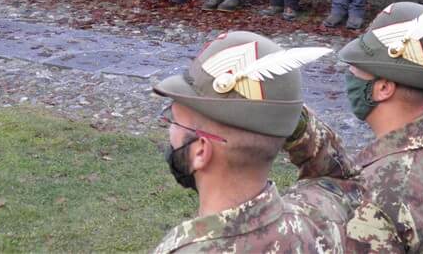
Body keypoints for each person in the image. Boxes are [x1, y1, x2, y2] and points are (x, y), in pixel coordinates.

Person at [285, 0, 423, 252]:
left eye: (356, 66)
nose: (349, 74)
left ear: (383, 88)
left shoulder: (373, 201)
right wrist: (297, 124)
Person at [152, 30, 369, 253]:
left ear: (200, 151)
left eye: (173, 120)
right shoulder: (318, 221)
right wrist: (281, 116)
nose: (169, 130)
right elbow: (340, 178)